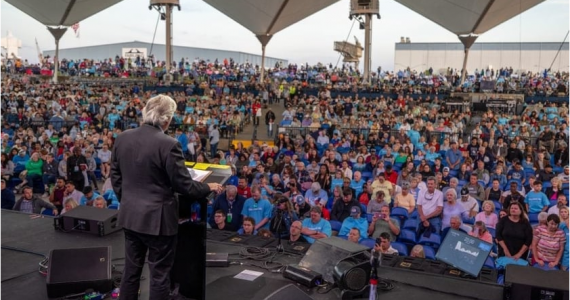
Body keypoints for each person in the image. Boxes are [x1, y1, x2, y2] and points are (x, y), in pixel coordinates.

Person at [110, 95, 223, 300]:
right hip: (158, 222)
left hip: (130, 216)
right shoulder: (169, 144)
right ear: (167, 119)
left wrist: (127, 201)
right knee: (159, 276)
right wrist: (209, 186)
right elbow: (184, 185)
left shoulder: (122, 138)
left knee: (130, 272)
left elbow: (115, 178)